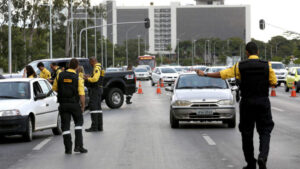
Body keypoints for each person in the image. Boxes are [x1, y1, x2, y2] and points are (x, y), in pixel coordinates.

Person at [195, 42, 277, 169]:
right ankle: (263, 156)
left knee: (246, 133)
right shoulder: (267, 66)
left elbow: (222, 74)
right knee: (265, 131)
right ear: (258, 52)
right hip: (262, 102)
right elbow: (273, 82)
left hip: (247, 103)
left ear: (247, 52)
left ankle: (250, 163)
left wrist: (205, 74)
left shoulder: (240, 66)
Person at [52, 58, 88, 154]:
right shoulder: (78, 78)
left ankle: (68, 149)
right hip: (74, 104)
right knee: (79, 123)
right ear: (77, 66)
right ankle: (78, 146)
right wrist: (83, 106)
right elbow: (82, 94)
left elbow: (54, 88)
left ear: (68, 65)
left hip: (63, 104)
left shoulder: (59, 75)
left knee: (65, 127)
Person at [84, 57, 104, 132]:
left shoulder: (96, 68)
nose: (90, 64)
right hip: (99, 89)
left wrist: (87, 79)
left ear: (93, 61)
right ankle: (99, 126)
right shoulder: (100, 67)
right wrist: (90, 76)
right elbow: (97, 78)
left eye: (90, 62)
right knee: (98, 108)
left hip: (95, 90)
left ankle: (94, 126)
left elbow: (95, 79)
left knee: (94, 108)